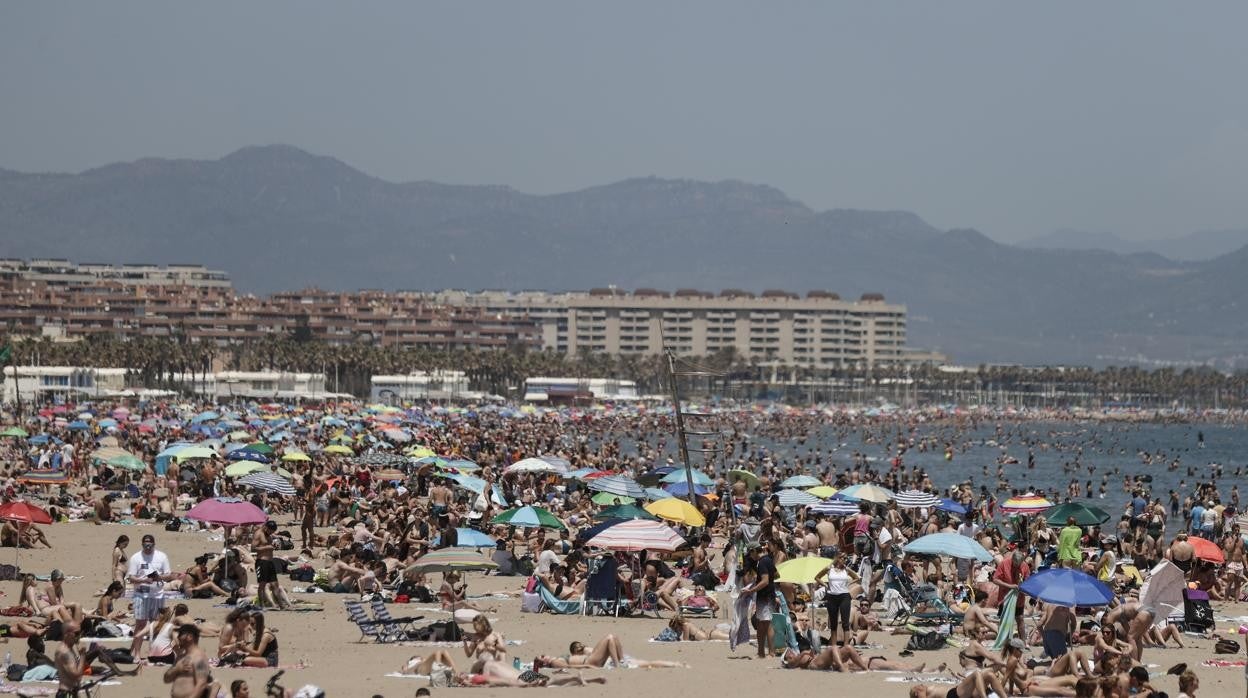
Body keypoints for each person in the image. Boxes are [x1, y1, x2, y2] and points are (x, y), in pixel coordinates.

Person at [54, 620, 139, 698]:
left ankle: (117, 671)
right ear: (66, 634)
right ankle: (118, 672)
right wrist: (83, 655)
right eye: (76, 633)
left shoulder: (69, 648)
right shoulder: (64, 652)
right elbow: (77, 676)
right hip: (66, 694)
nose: (79, 636)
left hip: (71, 692)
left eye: (80, 632)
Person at [127, 534, 177, 658]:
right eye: (145, 543)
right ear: (142, 543)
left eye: (150, 543)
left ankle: (155, 652)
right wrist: (144, 580)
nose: (148, 545)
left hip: (158, 595)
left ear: (154, 544)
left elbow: (168, 574)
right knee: (140, 624)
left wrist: (158, 577)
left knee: (157, 624)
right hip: (141, 595)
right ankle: (137, 654)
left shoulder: (161, 556)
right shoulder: (136, 558)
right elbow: (131, 577)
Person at [533, 634, 688, 669]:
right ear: (543, 661)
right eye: (541, 657)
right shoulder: (554, 662)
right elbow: (570, 668)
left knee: (645, 663)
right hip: (591, 661)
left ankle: (676, 664)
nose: (544, 655)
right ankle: (618, 662)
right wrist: (589, 667)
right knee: (610, 638)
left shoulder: (555, 660)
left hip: (593, 659)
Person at [814, 552, 859, 648]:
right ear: (837, 558)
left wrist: (849, 584)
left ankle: (846, 646)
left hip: (844, 596)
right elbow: (817, 577)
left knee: (845, 622)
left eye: (845, 558)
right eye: (843, 558)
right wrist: (826, 585)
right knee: (833, 623)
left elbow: (857, 577)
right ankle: (834, 646)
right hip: (831, 596)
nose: (845, 560)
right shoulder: (829, 569)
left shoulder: (846, 570)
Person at [164, 624, 218, 698]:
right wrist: (177, 669)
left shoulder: (199, 658)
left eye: (181, 634)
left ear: (190, 637)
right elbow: (166, 679)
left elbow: (201, 685)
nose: (178, 637)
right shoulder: (180, 657)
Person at [742, 544, 777, 658]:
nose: (751, 557)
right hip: (769, 595)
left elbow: (765, 581)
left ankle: (770, 653)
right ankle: (761, 652)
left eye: (751, 553)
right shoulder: (769, 560)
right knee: (762, 624)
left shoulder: (762, 562)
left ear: (754, 551)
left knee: (766, 624)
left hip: (765, 596)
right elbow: (776, 575)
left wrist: (752, 590)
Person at [253, 520, 291, 610]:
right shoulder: (258, 534)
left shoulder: (268, 534)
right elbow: (253, 548)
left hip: (270, 562)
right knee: (262, 585)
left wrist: (273, 546)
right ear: (266, 527)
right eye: (270, 531)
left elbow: (268, 545)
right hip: (261, 562)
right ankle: (261, 605)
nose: (271, 533)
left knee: (275, 585)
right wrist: (267, 547)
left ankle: (281, 605)